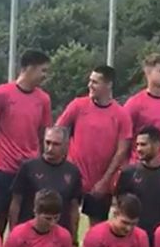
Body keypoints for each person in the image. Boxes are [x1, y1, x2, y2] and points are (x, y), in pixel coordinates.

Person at [0, 49, 52, 236]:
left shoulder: (43, 99)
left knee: (25, 221)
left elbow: (43, 133)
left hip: (29, 169)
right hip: (4, 168)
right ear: (28, 68)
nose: (45, 76)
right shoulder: (1, 94)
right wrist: (0, 150)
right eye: (43, 70)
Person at [56, 65, 131, 224]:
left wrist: (105, 181)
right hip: (73, 176)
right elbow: (58, 132)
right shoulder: (78, 105)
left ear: (108, 85)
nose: (90, 85)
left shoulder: (121, 114)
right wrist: (60, 165)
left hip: (100, 181)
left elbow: (121, 151)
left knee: (97, 227)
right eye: (90, 81)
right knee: (65, 221)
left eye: (95, 82)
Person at [8, 126, 83, 247]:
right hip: (29, 237)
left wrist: (74, 240)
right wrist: (13, 233)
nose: (50, 148)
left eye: (56, 144)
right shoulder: (28, 167)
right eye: (47, 142)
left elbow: (74, 209)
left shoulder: (73, 172)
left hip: (58, 239)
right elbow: (16, 202)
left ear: (65, 146)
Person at [116, 126, 160, 247]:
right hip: (134, 239)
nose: (139, 149)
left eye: (143, 145)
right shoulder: (128, 174)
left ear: (157, 145)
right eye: (137, 145)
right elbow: (120, 206)